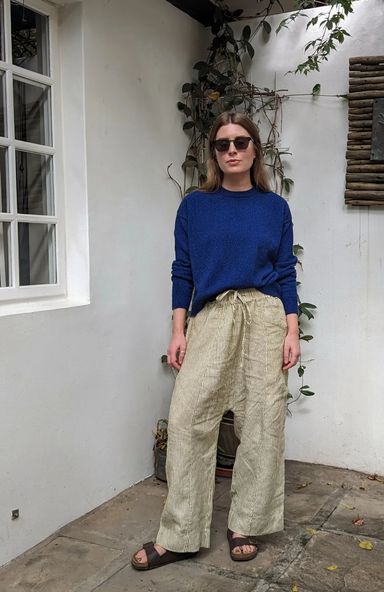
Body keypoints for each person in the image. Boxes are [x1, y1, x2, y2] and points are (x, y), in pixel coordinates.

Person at [131, 111, 300, 571]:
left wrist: (291, 329)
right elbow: (182, 270)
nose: (231, 150)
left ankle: (245, 522)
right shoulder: (194, 207)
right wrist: (178, 329)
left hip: (265, 316)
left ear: (254, 150)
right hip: (212, 315)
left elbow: (285, 271)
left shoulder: (274, 208)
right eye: (223, 144)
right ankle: (181, 533)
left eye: (240, 142)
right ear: (213, 153)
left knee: (262, 424)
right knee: (187, 420)